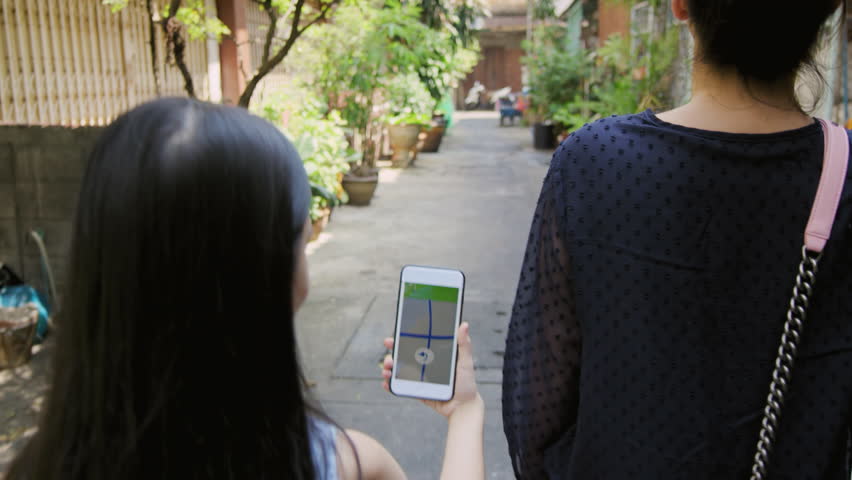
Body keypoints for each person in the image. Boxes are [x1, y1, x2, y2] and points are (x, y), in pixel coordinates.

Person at [6, 98, 485, 480]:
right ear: (274, 281)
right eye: (301, 241)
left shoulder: (33, 467)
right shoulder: (342, 463)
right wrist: (465, 413)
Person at [502, 0, 852, 478]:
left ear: (681, 6)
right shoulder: (844, 176)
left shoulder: (596, 162)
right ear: (829, 10)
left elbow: (535, 408)